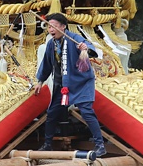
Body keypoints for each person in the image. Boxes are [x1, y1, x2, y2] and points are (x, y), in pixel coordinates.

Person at [34, 12, 105, 157]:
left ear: (63, 26)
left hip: (81, 82)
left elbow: (90, 48)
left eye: (54, 26)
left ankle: (100, 145)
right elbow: (46, 65)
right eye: (49, 27)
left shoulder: (73, 38)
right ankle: (48, 144)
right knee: (52, 113)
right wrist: (40, 81)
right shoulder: (51, 44)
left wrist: (85, 48)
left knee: (86, 112)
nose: (51, 30)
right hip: (62, 85)